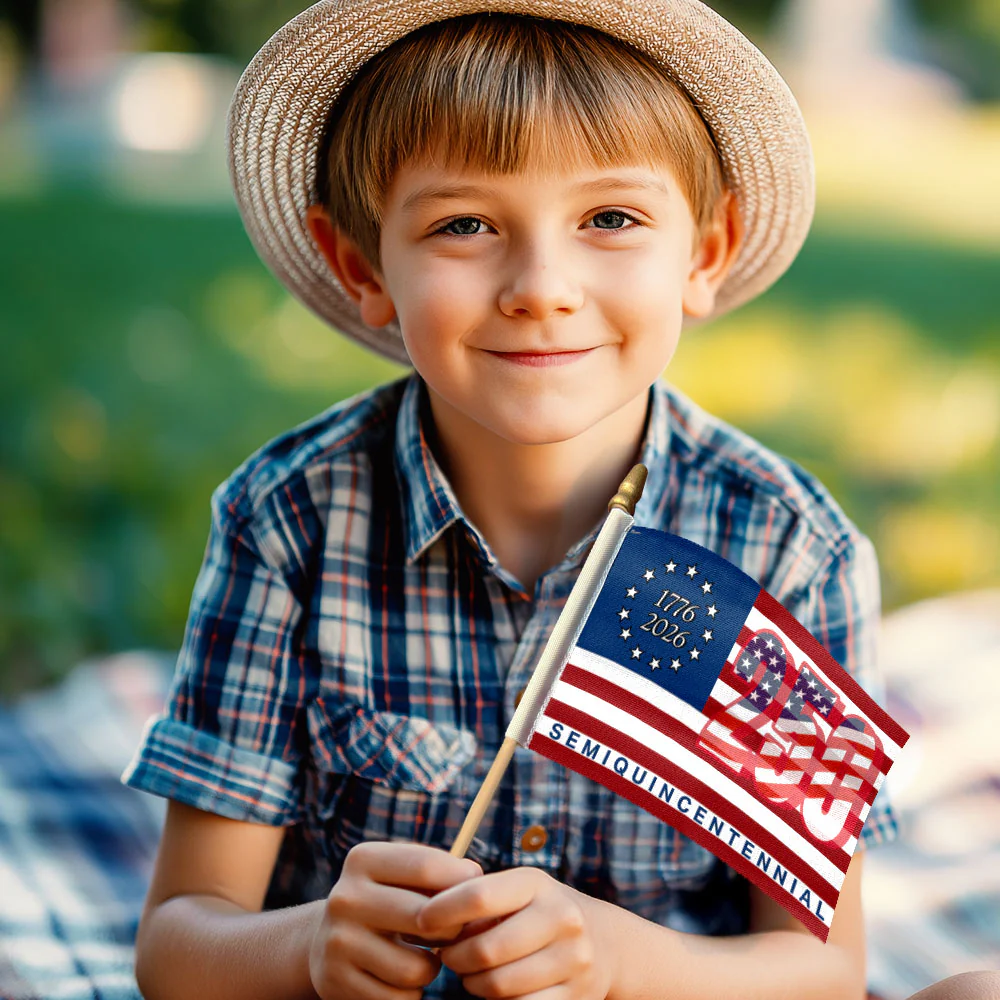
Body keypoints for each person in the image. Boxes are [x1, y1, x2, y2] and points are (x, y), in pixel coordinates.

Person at [120, 2, 927, 998]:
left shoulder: (786, 550)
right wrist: (307, 947)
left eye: (610, 219)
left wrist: (618, 958)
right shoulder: (288, 521)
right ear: (362, 266)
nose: (541, 287)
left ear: (705, 252)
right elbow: (179, 945)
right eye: (463, 225)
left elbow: (824, 969)